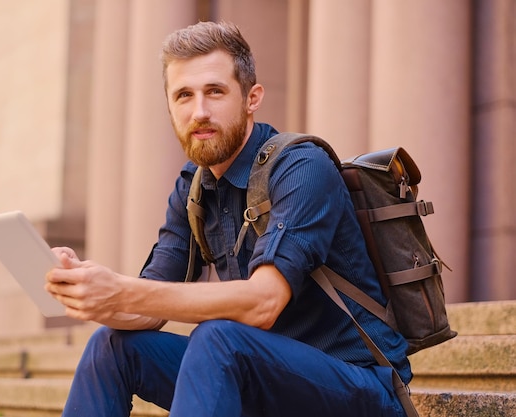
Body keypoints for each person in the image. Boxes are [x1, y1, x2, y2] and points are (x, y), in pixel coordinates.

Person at [45, 21, 411, 417]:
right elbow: (147, 310)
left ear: (252, 98)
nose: (199, 112)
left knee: (218, 337)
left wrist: (121, 290)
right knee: (112, 346)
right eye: (183, 95)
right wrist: (85, 292)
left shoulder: (302, 166)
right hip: (264, 377)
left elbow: (263, 302)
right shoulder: (193, 187)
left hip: (360, 389)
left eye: (214, 92)